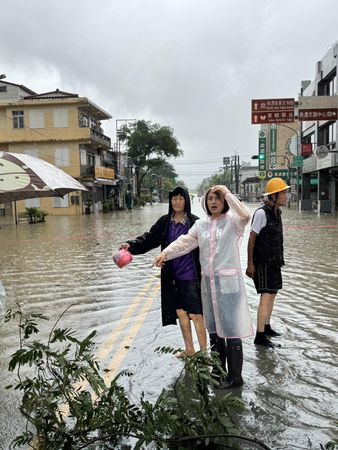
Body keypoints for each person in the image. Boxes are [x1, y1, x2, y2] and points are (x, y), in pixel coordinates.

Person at [154, 185, 253, 388]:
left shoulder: (233, 223)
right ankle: (217, 373)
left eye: (218, 198)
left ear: (224, 201)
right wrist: (166, 253)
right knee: (215, 331)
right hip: (208, 286)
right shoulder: (202, 226)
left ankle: (235, 377)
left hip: (228, 286)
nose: (214, 202)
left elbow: (245, 214)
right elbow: (185, 242)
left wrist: (226, 191)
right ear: (205, 203)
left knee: (232, 330)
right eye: (210, 199)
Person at [119, 186, 207, 358]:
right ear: (170, 201)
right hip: (172, 276)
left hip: (191, 275)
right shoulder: (165, 222)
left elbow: (207, 248)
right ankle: (189, 349)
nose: (177, 202)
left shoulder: (196, 223)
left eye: (181, 198)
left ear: (187, 201)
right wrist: (131, 245)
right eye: (174, 198)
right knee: (181, 313)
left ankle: (204, 353)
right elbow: (149, 239)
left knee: (196, 314)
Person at [246, 177, 290, 348]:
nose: (286, 196)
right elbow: (252, 238)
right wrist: (250, 264)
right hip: (263, 264)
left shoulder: (277, 213)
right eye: (284, 193)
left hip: (275, 262)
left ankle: (267, 327)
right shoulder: (261, 213)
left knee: (272, 295)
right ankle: (260, 336)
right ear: (273, 196)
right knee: (265, 297)